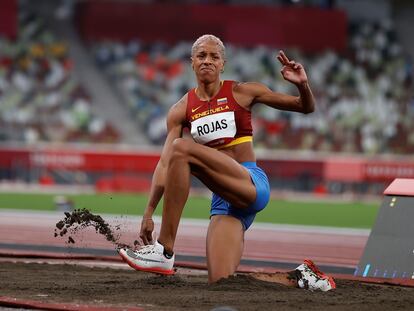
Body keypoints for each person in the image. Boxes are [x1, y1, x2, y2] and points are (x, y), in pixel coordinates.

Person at [118, 34, 335, 291]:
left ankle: (164, 252)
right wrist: (148, 211)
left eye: (214, 56)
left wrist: (302, 85)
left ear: (223, 64)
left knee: (181, 149)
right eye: (201, 56)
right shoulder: (180, 109)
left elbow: (305, 107)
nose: (207, 61)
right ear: (192, 62)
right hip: (224, 201)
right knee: (222, 284)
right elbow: (165, 164)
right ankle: (302, 278)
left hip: (251, 183)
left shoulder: (243, 92)